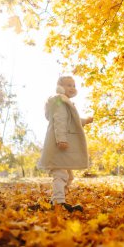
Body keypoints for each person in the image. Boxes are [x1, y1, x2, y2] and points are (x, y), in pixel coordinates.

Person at [37, 75, 93, 212]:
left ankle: (55, 200)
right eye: (68, 85)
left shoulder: (65, 102)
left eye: (74, 85)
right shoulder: (60, 101)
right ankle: (59, 202)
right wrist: (61, 139)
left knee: (69, 176)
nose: (72, 88)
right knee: (61, 174)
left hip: (63, 145)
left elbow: (72, 120)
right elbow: (60, 121)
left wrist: (85, 120)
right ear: (60, 87)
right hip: (59, 145)